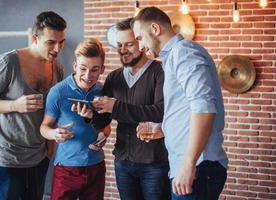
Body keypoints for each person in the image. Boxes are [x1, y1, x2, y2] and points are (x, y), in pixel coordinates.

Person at [132, 7, 229, 200]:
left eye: (139, 38)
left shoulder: (183, 52)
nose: (139, 46)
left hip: (198, 167)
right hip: (193, 166)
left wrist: (188, 165)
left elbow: (204, 108)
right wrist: (164, 127)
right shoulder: (174, 57)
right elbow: (188, 109)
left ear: (155, 28)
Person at [0, 11, 66, 200]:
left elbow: (53, 111)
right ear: (35, 38)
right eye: (51, 42)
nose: (57, 49)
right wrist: (14, 105)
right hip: (7, 157)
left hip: (39, 156)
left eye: (61, 42)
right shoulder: (8, 61)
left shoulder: (57, 68)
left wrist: (50, 148)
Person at [93, 18, 170, 200]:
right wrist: (91, 114)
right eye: (119, 44)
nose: (122, 50)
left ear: (141, 42)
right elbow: (104, 120)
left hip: (154, 163)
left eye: (129, 44)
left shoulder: (160, 71)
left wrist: (115, 106)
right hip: (123, 162)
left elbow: (160, 111)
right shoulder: (114, 77)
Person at [40, 38, 111, 200]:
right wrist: (55, 134)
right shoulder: (58, 92)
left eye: (94, 69)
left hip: (96, 167)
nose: (88, 75)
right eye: (83, 68)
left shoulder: (103, 92)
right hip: (66, 168)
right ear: (75, 66)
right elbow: (44, 127)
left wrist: (103, 136)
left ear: (102, 69)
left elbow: (106, 128)